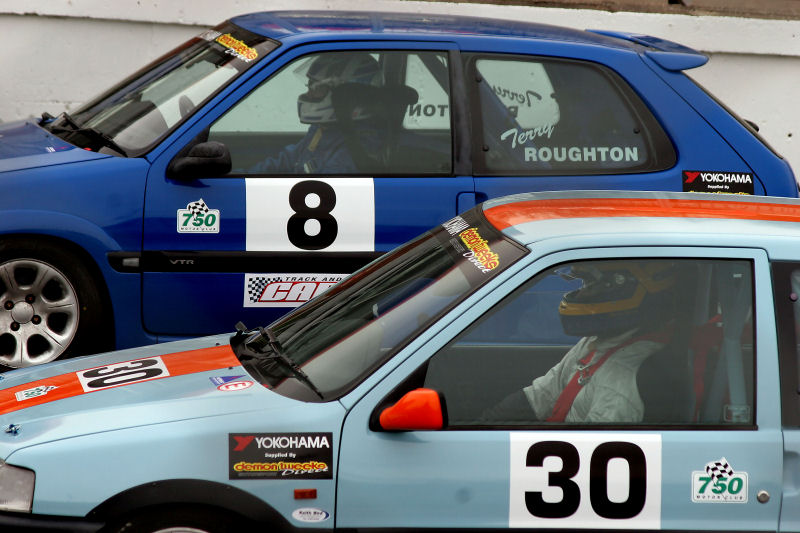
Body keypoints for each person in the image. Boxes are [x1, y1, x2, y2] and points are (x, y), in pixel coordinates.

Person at [482, 261, 677, 424]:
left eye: (593, 286)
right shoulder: (599, 342)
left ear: (625, 289)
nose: (582, 294)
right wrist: (486, 425)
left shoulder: (618, 386)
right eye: (585, 285)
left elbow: (588, 455)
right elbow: (543, 394)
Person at [249, 52, 386, 174]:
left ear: (345, 97)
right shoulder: (324, 128)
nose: (309, 94)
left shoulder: (357, 147)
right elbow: (289, 159)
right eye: (309, 86)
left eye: (316, 88)